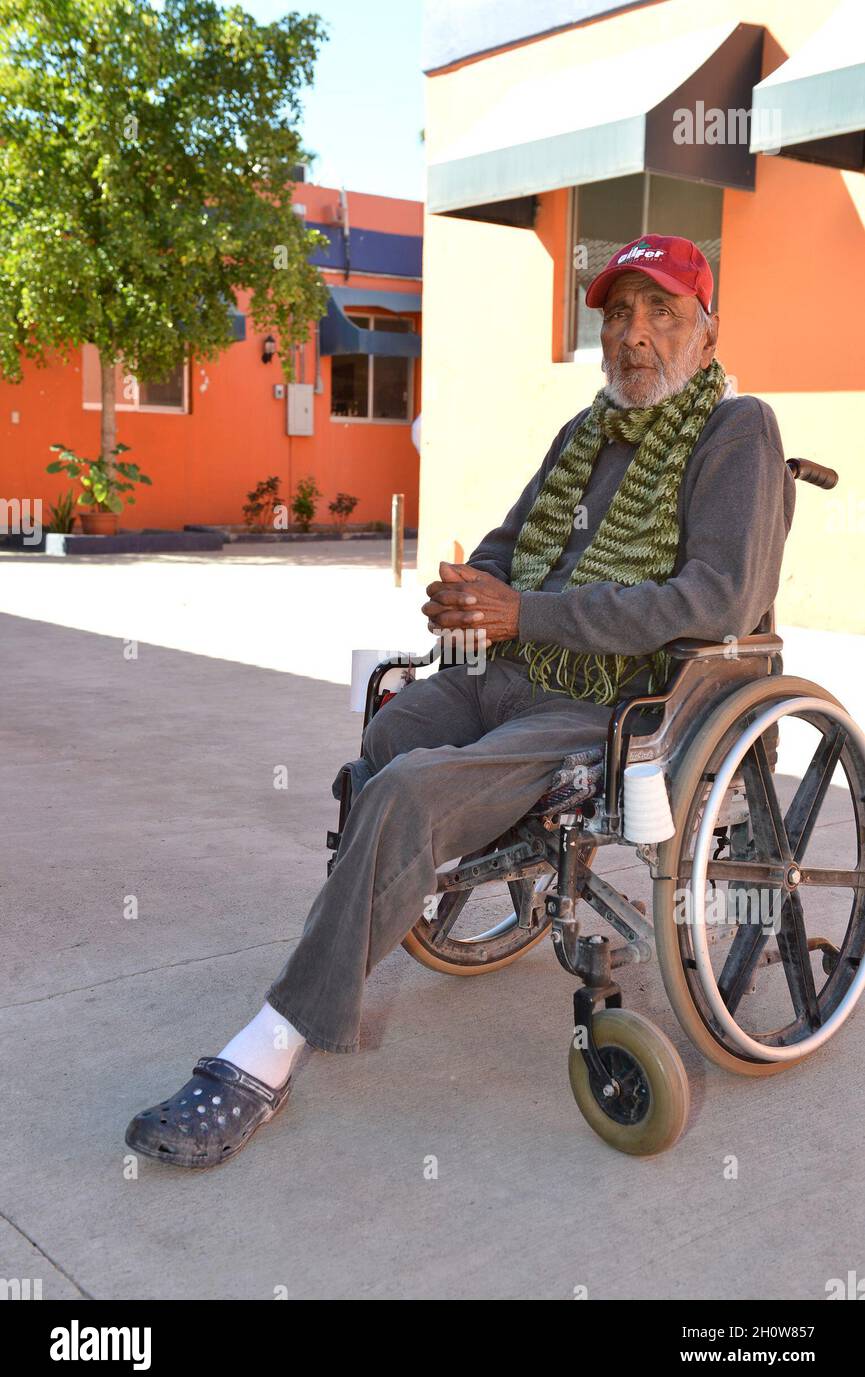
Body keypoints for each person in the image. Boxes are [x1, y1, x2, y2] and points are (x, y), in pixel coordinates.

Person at [126, 234, 795, 1168]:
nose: (633, 335)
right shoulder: (585, 433)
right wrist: (468, 595)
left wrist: (527, 611)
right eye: (615, 314)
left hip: (619, 707)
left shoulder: (738, 431)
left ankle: (270, 1048)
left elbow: (712, 600)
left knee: (411, 793)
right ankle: (369, 911)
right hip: (507, 672)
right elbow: (505, 541)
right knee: (390, 735)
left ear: (706, 331)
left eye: (662, 312)